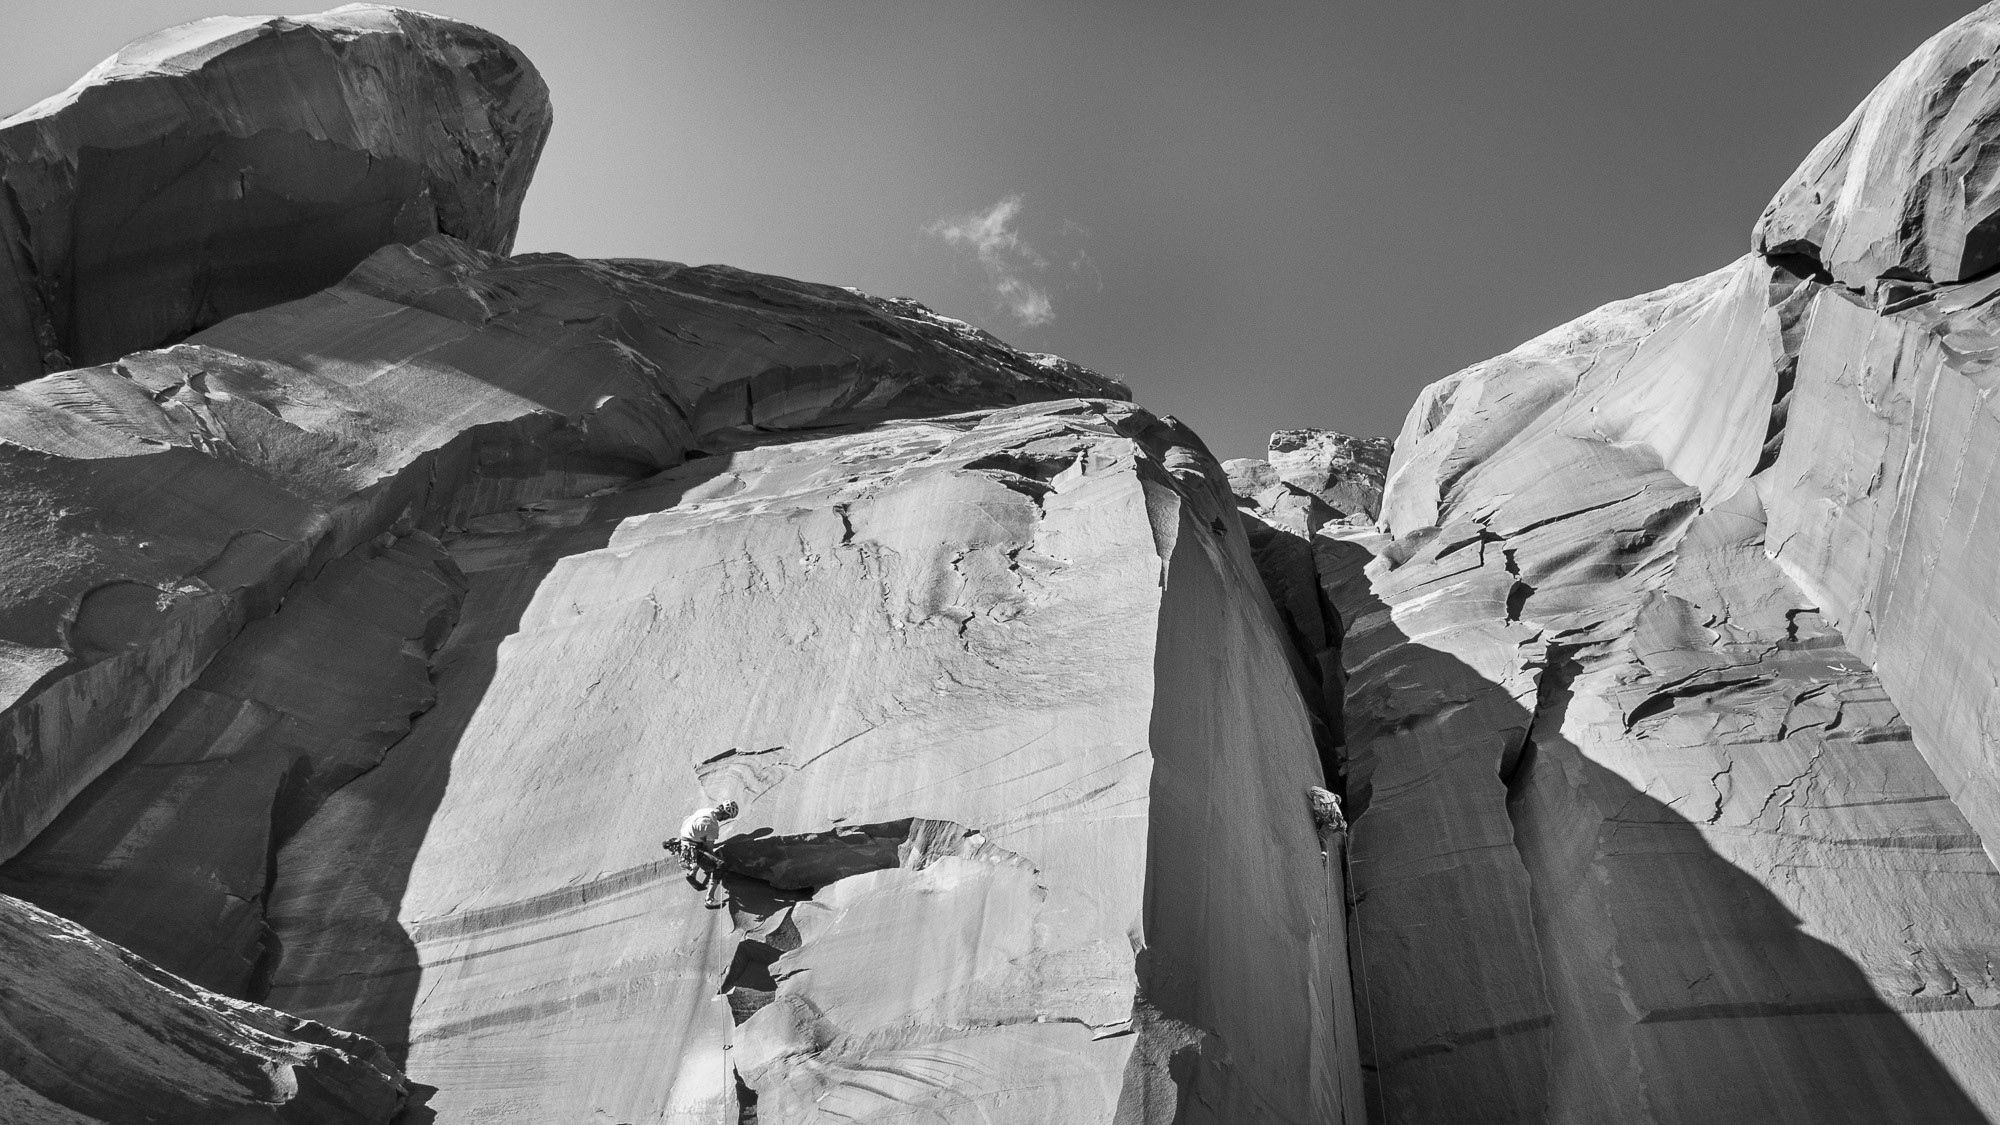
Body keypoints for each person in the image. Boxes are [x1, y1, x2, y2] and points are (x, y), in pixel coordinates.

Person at [666, 799, 738, 909]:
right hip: (693, 848)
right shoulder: (713, 826)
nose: (725, 819)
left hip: (683, 842)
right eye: (727, 817)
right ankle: (709, 899)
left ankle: (693, 872)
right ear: (726, 815)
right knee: (719, 864)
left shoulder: (706, 810)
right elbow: (710, 849)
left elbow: (686, 820)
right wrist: (717, 857)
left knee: (701, 848)